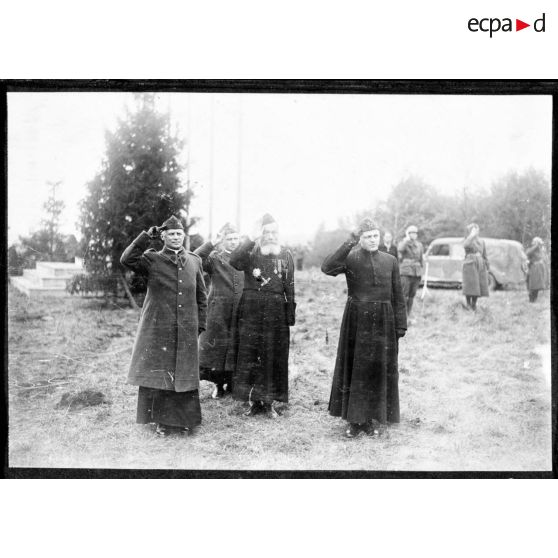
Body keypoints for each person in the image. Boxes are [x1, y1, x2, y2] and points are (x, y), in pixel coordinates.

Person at [120, 215, 208, 437]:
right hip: (159, 328)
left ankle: (187, 421)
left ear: (183, 236)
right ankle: (162, 422)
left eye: (179, 234)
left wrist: (200, 325)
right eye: (171, 234)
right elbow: (126, 259)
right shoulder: (152, 260)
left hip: (187, 327)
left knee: (185, 375)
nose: (176, 237)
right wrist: (145, 237)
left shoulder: (195, 261)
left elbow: (201, 296)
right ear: (163, 237)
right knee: (161, 376)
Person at [322, 218, 407, 438]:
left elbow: (398, 295)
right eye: (367, 236)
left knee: (376, 371)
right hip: (357, 320)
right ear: (360, 238)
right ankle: (354, 421)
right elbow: (327, 267)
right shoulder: (351, 258)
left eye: (375, 236)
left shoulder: (390, 261)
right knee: (357, 370)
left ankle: (371, 419)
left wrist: (400, 325)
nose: (372, 240)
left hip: (383, 322)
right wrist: (349, 241)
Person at [229, 213, 296, 418]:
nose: (271, 236)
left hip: (276, 311)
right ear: (260, 234)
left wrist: (289, 314)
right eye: (266, 232)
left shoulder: (286, 255)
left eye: (274, 232)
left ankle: (269, 402)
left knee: (272, 355)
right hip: (251, 310)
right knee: (251, 355)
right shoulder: (250, 253)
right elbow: (234, 261)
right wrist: (249, 238)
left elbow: (290, 285)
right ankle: (254, 400)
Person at [194, 222, 244, 398]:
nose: (233, 242)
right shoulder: (215, 258)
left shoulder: (246, 257)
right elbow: (196, 257)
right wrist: (211, 243)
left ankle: (232, 383)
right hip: (218, 311)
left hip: (241, 310)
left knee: (236, 347)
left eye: (236, 238)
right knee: (216, 348)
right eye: (229, 239)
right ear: (223, 241)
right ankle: (218, 385)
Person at [397, 225, 424, 318]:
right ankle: (402, 315)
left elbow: (421, 259)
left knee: (412, 294)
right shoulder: (403, 243)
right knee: (405, 294)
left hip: (416, 272)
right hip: (406, 272)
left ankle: (409, 313)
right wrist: (406, 240)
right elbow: (399, 251)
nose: (414, 235)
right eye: (412, 233)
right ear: (408, 234)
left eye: (415, 233)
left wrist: (421, 272)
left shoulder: (419, 245)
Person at [462, 223, 489, 311]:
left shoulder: (482, 241)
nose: (476, 231)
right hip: (470, 263)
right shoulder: (467, 239)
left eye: (477, 230)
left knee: (478, 285)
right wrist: (471, 235)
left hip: (480, 263)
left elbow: (485, 255)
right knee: (470, 285)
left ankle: (474, 304)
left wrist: (487, 265)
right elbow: (465, 245)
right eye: (473, 229)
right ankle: (468, 304)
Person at [525, 237, 548, 302]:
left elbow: (543, 257)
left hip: (539, 268)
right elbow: (527, 253)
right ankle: (531, 299)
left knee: (537, 284)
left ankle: (534, 298)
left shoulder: (541, 250)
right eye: (534, 242)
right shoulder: (531, 249)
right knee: (531, 284)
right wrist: (536, 246)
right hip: (533, 268)